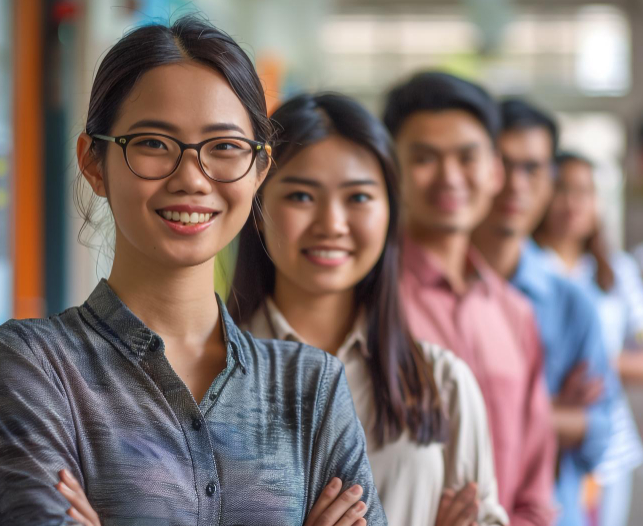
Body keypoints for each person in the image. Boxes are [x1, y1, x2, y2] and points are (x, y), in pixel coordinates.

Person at [0, 16, 384, 526]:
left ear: (259, 171)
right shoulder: (33, 368)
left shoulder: (311, 386)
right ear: (94, 162)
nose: (191, 178)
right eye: (153, 144)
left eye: (225, 148)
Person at [228, 92, 509, 526]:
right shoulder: (208, 376)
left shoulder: (443, 383)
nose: (332, 224)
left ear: (390, 214)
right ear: (259, 208)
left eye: (358, 198)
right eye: (301, 196)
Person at [383, 72, 558, 526]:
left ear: (495, 170)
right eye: (423, 158)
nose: (449, 177)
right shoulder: (369, 302)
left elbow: (537, 480)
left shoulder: (514, 313)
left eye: (468, 157)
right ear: (391, 170)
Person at [471, 99, 620, 526]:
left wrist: (515, 414)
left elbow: (599, 437)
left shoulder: (573, 304)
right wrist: (549, 413)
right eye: (503, 164)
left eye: (533, 169)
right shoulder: (430, 296)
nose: (515, 184)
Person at [535, 152, 643, 526]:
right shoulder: (525, 268)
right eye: (561, 189)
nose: (572, 202)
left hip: (609, 447)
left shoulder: (618, 272)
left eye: (585, 191)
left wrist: (596, 359)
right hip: (541, 437)